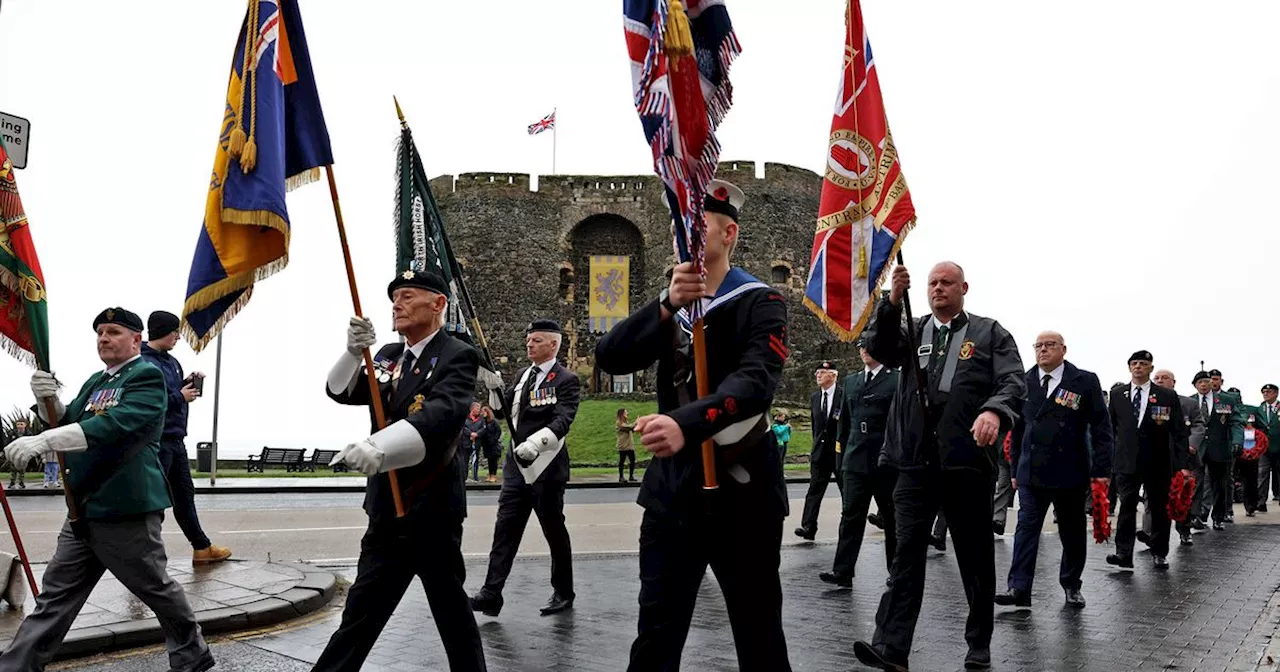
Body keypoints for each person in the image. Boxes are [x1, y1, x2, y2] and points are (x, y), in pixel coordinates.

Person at [595, 179, 793, 671]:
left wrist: (685, 424)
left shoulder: (760, 301)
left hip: (743, 491)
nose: (684, 231)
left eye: (697, 222)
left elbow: (753, 385)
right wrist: (665, 304)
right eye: (676, 222)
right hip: (674, 493)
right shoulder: (674, 307)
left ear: (729, 234)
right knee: (656, 634)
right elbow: (610, 356)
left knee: (758, 633)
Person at [0, 307, 213, 672]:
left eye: (114, 331)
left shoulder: (146, 376)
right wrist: (46, 399)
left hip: (124, 509)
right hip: (83, 508)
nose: (104, 338)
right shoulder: (96, 381)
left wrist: (43, 440)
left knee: (155, 589)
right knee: (56, 597)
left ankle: (191, 654)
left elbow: (114, 425)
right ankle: (17, 666)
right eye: (100, 332)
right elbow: (68, 420)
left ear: (136, 339)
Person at [852, 261, 1025, 672]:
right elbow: (878, 348)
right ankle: (892, 648)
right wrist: (891, 301)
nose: (938, 288)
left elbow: (1013, 382)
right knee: (906, 555)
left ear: (964, 287)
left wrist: (994, 413)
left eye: (947, 282)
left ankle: (978, 642)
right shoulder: (914, 329)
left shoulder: (990, 332)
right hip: (914, 462)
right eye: (932, 283)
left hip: (965, 460)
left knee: (974, 555)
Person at [313, 269, 486, 671]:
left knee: (451, 613)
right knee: (360, 613)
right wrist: (354, 353)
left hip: (431, 507)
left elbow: (442, 415)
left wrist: (379, 447)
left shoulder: (456, 354)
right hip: (386, 510)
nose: (397, 304)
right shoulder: (389, 355)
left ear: (438, 303)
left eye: (408, 296)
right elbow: (341, 391)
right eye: (395, 298)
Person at [994, 331, 1112, 609]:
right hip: (1031, 471)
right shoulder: (1025, 381)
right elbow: (1017, 428)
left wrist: (1102, 469)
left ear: (1063, 349)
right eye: (1038, 346)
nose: (1043, 350)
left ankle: (1071, 585)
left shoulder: (1084, 381)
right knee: (1025, 529)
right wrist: (1013, 467)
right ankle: (1018, 588)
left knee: (1071, 533)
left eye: (1049, 345)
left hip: (1070, 470)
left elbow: (1101, 428)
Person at [472, 319, 582, 618]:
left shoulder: (566, 379)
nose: (529, 344)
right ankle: (491, 593)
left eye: (536, 340)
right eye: (528, 340)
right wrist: (494, 389)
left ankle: (563, 591)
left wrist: (537, 442)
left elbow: (563, 419)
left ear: (553, 344)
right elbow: (501, 412)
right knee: (504, 529)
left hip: (546, 467)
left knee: (553, 531)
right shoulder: (522, 375)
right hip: (516, 468)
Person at [139, 310, 232, 564]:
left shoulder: (171, 361)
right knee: (154, 501)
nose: (178, 337)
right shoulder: (144, 363)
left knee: (184, 495)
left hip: (176, 439)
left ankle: (201, 548)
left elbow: (172, 389)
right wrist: (181, 397)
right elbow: (148, 402)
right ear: (163, 332)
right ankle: (144, 557)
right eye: (175, 332)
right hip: (157, 442)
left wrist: (188, 382)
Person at [1106, 351, 1194, 570]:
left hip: (1158, 461)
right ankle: (1123, 553)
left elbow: (1179, 432)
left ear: (1150, 368)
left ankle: (1159, 551)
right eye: (1134, 364)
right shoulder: (1117, 394)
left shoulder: (1166, 396)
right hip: (1127, 461)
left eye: (1143, 364)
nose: (1138, 367)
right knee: (1126, 506)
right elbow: (1109, 429)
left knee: (1159, 508)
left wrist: (1182, 464)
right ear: (1129, 368)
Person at [822, 338, 898, 588]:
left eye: (870, 345)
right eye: (861, 346)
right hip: (854, 460)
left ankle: (896, 571)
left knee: (891, 518)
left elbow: (898, 422)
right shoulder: (852, 381)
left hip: (884, 461)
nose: (865, 350)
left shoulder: (895, 379)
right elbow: (842, 423)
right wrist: (840, 458)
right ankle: (842, 571)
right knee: (850, 516)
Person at [1152, 369, 1205, 546]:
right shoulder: (1148, 401)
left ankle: (1184, 530)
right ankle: (1150, 533)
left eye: (1165, 378)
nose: (1160, 381)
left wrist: (1191, 445)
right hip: (1157, 456)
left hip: (1183, 457)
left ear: (1173, 382)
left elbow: (1198, 425)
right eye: (1157, 378)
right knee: (1153, 498)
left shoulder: (1188, 403)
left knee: (1182, 496)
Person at [1190, 371, 1244, 530]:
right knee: (1195, 484)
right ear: (1195, 385)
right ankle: (1196, 516)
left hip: (1220, 448)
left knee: (1219, 485)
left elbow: (1236, 422)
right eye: (1200, 382)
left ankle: (1218, 517)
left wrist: (1237, 441)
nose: (1204, 385)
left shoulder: (1227, 400)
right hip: (1196, 450)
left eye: (1207, 381)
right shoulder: (1189, 401)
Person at [797, 361, 843, 540]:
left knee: (846, 491)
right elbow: (816, 426)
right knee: (814, 491)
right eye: (817, 372)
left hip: (838, 452)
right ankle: (808, 527)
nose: (818, 375)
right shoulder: (815, 398)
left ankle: (848, 525)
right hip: (820, 453)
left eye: (823, 372)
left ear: (833, 375)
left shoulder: (843, 395)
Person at [1256, 384, 1280, 509]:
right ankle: (1261, 502)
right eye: (1264, 392)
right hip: (1265, 448)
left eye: (1269, 392)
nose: (1266, 394)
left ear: (1276, 393)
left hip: (1279, 445)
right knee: (1262, 473)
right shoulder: (1260, 409)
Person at [6, 419, 32, 490]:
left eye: (21, 424)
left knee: (22, 468)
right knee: (13, 468)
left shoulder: (28, 434)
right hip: (14, 453)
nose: (19, 426)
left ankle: (21, 482)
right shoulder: (12, 433)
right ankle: (12, 482)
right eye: (18, 424)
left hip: (23, 453)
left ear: (25, 425)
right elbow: (8, 442)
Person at [463, 402, 485, 482]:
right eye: (478, 409)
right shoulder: (465, 418)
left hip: (476, 443)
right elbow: (463, 428)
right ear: (472, 409)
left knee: (475, 460)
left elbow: (483, 429)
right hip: (466, 443)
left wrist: (477, 434)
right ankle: (464, 477)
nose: (479, 411)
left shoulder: (481, 419)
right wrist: (470, 434)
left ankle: (475, 477)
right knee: (465, 460)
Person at [480, 405, 502, 483]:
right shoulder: (483, 422)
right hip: (486, 445)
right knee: (489, 461)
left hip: (493, 445)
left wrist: (494, 440)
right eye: (482, 412)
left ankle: (493, 475)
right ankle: (490, 475)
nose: (483, 413)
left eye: (484, 412)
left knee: (494, 461)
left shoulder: (494, 422)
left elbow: (498, 431)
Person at [617, 408, 637, 483]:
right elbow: (629, 427)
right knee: (622, 461)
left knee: (632, 460)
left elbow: (632, 429)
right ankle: (621, 477)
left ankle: (631, 476)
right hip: (623, 445)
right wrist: (636, 421)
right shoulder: (619, 422)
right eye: (625, 413)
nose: (627, 414)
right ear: (621, 414)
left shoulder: (626, 422)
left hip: (629, 445)